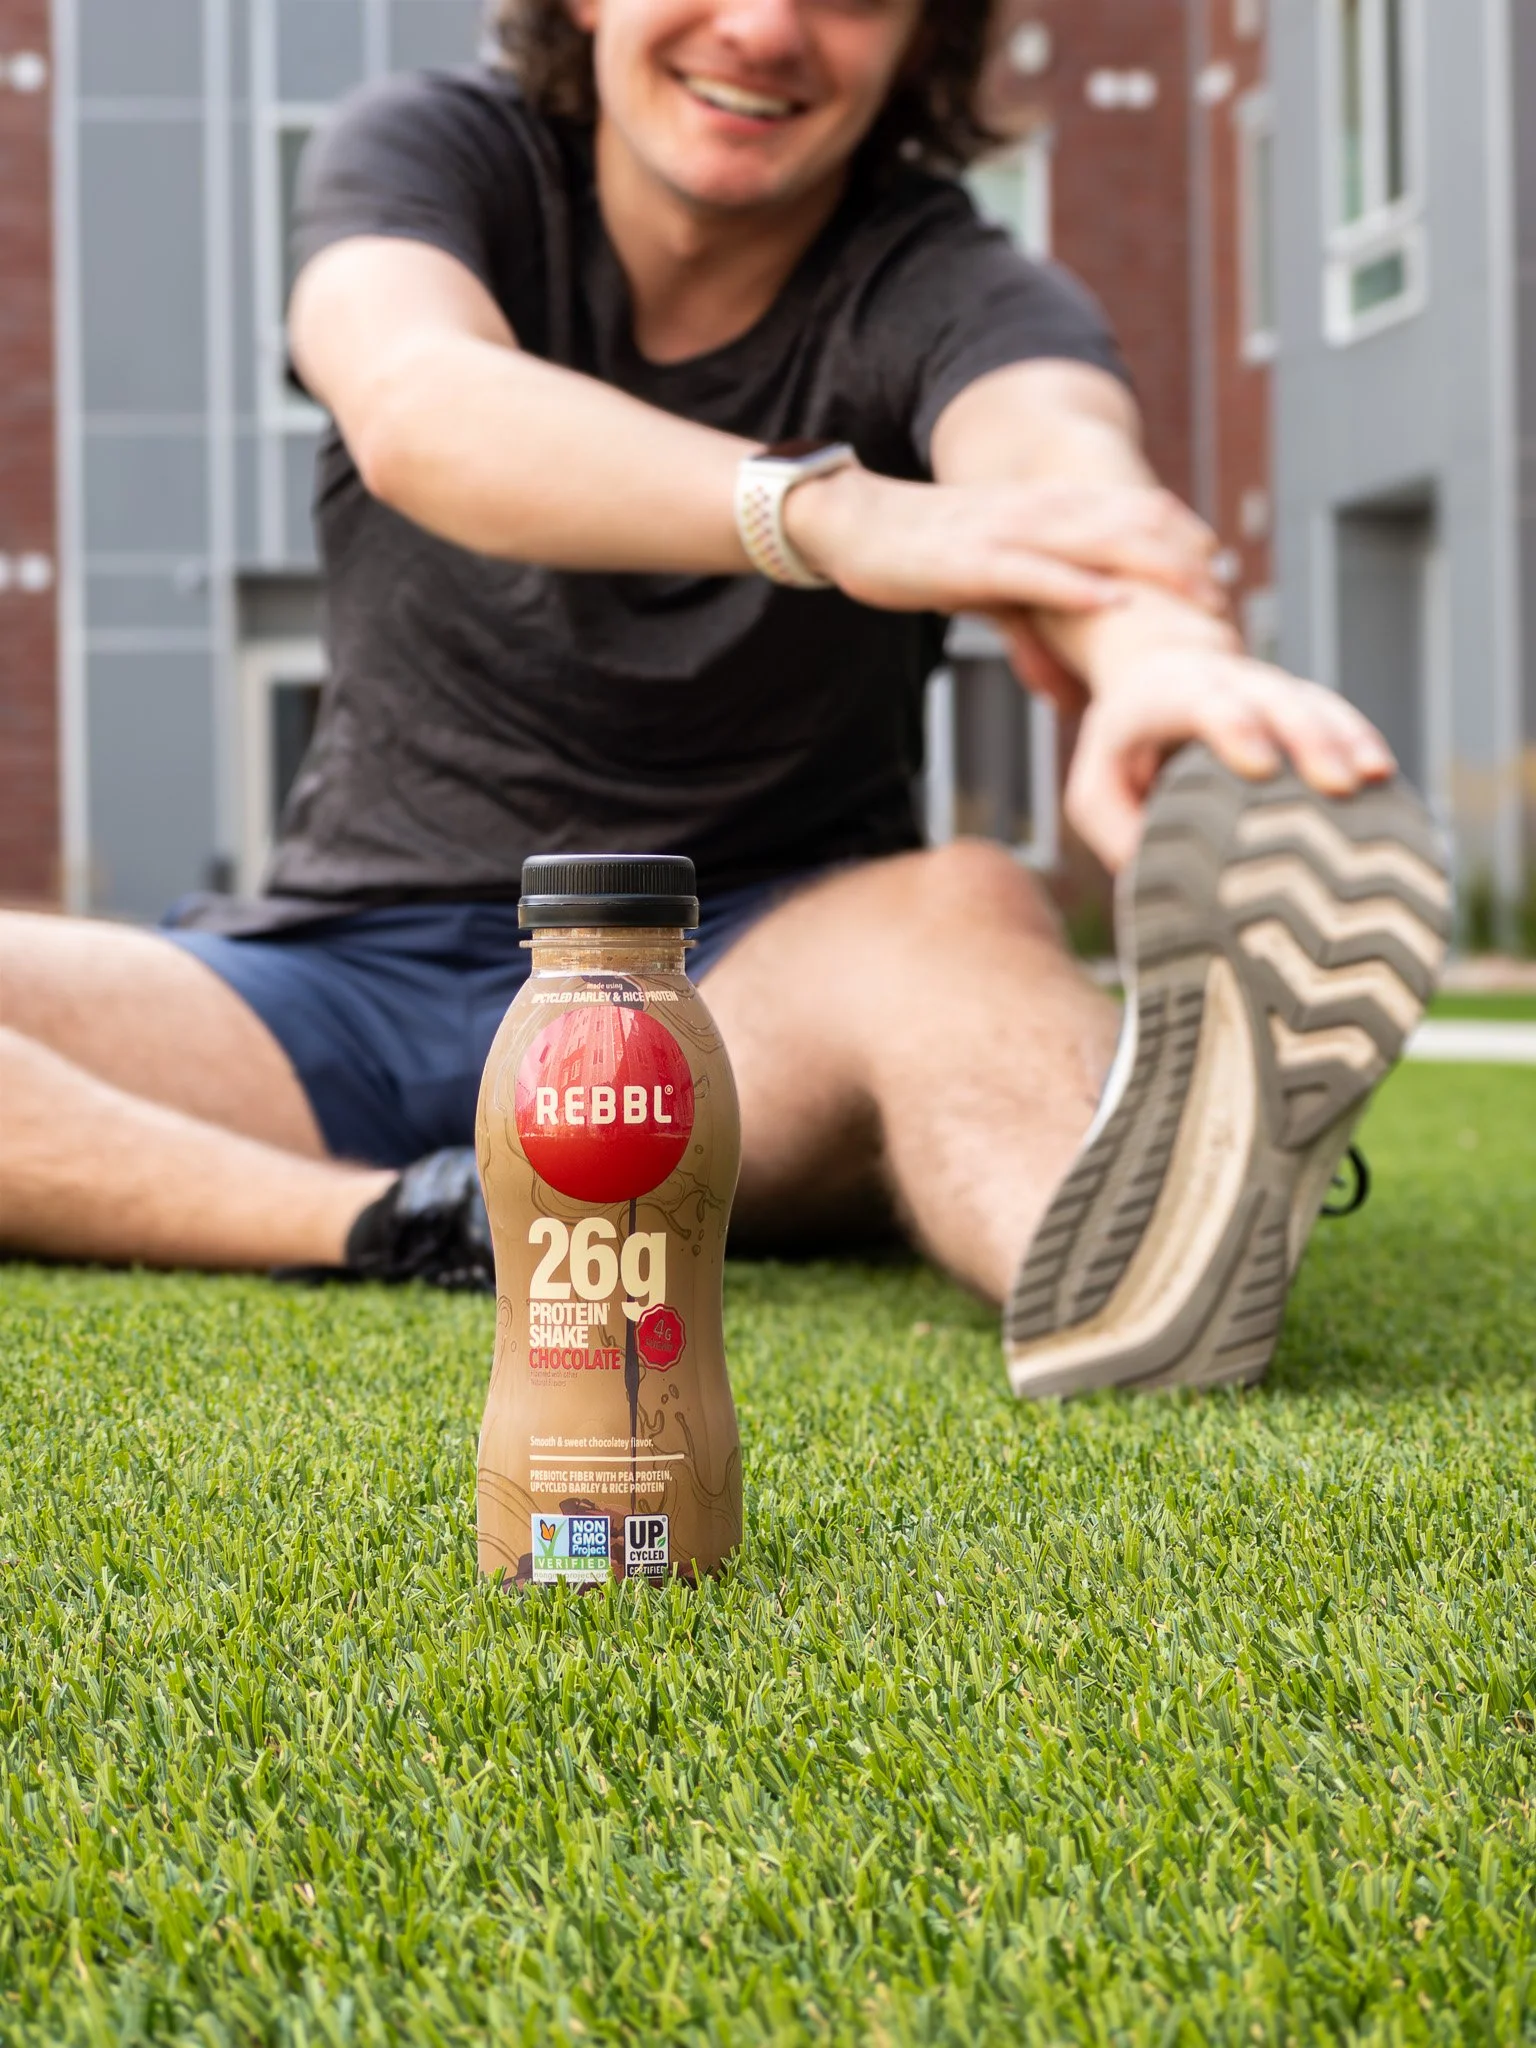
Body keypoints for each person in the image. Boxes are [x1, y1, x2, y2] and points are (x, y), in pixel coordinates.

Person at [0, 0, 1448, 1396]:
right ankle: (408, 1216)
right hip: (340, 989)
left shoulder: (950, 279)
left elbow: (1062, 473)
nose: (763, 27)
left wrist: (1159, 661)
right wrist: (837, 515)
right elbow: (418, 402)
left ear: (925, 33)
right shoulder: (436, 155)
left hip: (732, 996)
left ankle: (1147, 1249)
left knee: (962, 908)